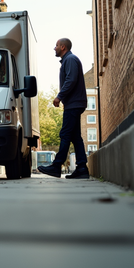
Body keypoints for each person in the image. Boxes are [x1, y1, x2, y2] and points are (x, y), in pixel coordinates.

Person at [38, 38, 89, 179]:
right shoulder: (69, 60)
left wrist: (59, 96)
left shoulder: (70, 59)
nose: (54, 48)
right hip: (74, 103)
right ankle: (82, 168)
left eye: (56, 46)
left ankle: (56, 166)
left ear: (63, 47)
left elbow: (71, 80)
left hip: (73, 104)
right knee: (75, 137)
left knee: (65, 134)